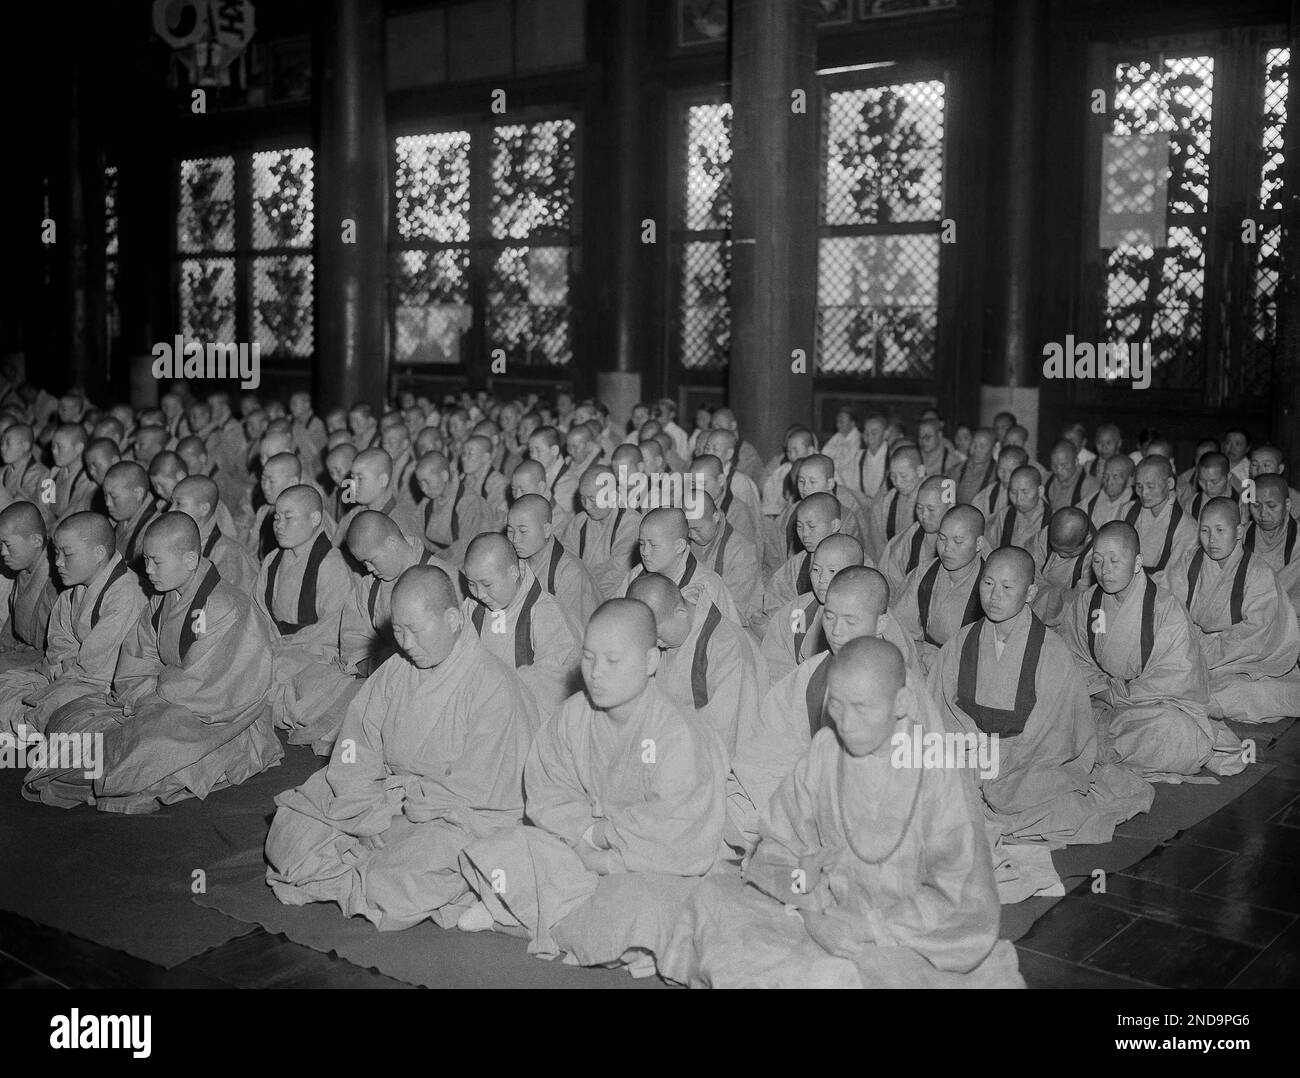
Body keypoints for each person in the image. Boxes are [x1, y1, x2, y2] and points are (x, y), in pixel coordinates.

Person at [660, 637, 1023, 989]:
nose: (846, 722)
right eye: (837, 705)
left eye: (862, 707)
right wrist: (811, 910)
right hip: (821, 908)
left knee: (831, 976)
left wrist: (866, 926)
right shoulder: (825, 749)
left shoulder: (938, 771)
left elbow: (960, 897)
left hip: (905, 934)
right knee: (713, 899)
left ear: (902, 702)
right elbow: (778, 847)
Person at [456, 598, 727, 976]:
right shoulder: (573, 715)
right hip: (576, 847)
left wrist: (605, 854)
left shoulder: (677, 732)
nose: (596, 673)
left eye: (613, 661)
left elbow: (679, 833)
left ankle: (524, 913)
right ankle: (566, 922)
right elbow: (547, 790)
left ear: (651, 662)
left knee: (645, 907)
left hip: (649, 868)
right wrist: (586, 834)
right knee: (502, 847)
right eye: (588, 658)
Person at [265, 564, 538, 929]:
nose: (406, 643)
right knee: (290, 831)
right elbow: (355, 750)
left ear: (454, 619)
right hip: (385, 799)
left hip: (456, 817)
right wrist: (371, 812)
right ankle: (366, 869)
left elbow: (482, 791)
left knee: (402, 875)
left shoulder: (494, 686)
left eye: (415, 630)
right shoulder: (396, 670)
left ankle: (371, 872)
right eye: (398, 631)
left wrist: (404, 822)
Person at [24, 513, 281, 811]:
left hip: (217, 716)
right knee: (70, 715)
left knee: (145, 749)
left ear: (189, 559)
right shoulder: (162, 598)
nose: (148, 570)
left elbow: (213, 687)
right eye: (146, 560)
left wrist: (155, 692)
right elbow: (137, 657)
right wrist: (144, 693)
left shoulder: (227, 607)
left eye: (157, 562)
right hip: (159, 700)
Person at [930, 545, 1153, 849]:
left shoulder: (1051, 650)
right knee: (920, 773)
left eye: (1008, 587)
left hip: (1028, 760)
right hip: (971, 751)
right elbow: (938, 706)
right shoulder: (961, 641)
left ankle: (984, 815)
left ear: (1030, 593)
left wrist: (1004, 761)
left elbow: (1057, 732)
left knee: (1042, 801)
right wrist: (974, 750)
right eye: (988, 583)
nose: (994, 596)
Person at [733, 566, 922, 838]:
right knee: (732, 805)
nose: (836, 631)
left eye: (850, 621)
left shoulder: (901, 685)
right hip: (812, 794)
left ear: (880, 624)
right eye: (830, 617)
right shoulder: (810, 673)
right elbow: (768, 750)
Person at [1059, 521, 1247, 781]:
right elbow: (1071, 656)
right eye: (1098, 561)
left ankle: (1094, 748)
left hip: (1145, 707)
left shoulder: (1165, 608)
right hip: (1097, 701)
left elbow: (1177, 676)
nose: (1105, 571)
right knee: (1051, 713)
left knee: (1179, 732)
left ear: (1137, 563)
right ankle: (1097, 746)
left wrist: (1120, 695)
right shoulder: (1086, 602)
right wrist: (1101, 690)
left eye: (1115, 561)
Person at [0, 512, 146, 735]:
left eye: (67, 554)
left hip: (104, 686)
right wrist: (60, 666)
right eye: (56, 553)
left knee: (40, 710)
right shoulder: (73, 589)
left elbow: (98, 669)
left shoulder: (126, 594)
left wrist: (63, 671)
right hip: (70, 675)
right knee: (6, 686)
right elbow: (59, 642)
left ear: (99, 553)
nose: (57, 562)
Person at [1168, 497, 1300, 724]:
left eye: (1220, 530)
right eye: (1205, 531)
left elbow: (1257, 634)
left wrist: (1206, 652)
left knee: (1244, 691)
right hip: (1190, 650)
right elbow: (1170, 611)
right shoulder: (1189, 561)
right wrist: (1188, 648)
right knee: (1167, 676)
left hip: (1242, 661)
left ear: (1239, 532)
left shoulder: (1258, 572)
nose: (1211, 540)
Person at [254, 485, 355, 750]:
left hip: (316, 654)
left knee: (296, 682)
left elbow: (334, 628)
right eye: (276, 517)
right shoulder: (272, 559)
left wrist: (286, 647)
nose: (279, 525)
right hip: (278, 649)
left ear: (314, 519)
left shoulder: (332, 565)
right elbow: (259, 611)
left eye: (289, 518)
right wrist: (270, 644)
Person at [627, 571, 764, 762]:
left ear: (681, 613)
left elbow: (725, 733)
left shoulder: (727, 646)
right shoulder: (668, 629)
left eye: (658, 635)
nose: (654, 644)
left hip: (708, 758)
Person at [461, 532, 581, 720]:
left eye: (487, 584)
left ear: (513, 573)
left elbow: (552, 689)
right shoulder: (472, 609)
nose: (480, 594)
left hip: (526, 717)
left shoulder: (546, 613)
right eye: (471, 584)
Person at [894, 505, 987, 674]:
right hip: (918, 664)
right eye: (942, 538)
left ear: (978, 543)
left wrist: (936, 658)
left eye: (958, 541)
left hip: (964, 675)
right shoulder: (924, 573)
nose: (947, 548)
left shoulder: (990, 586)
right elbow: (899, 629)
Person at [616, 507, 742, 624]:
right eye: (642, 544)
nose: (645, 552)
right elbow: (616, 616)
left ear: (679, 546)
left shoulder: (707, 586)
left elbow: (727, 636)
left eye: (653, 545)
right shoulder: (637, 574)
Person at [754, 492, 845, 636]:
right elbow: (777, 603)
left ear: (834, 525)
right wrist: (800, 630)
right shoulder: (797, 563)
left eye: (811, 526)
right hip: (801, 634)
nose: (805, 534)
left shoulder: (855, 558)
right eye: (799, 526)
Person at [507, 494, 600, 624]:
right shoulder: (513, 562)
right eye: (510, 531)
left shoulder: (570, 573)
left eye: (523, 531)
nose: (515, 539)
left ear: (546, 530)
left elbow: (574, 633)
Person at [561, 464, 641, 598]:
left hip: (614, 600)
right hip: (579, 595)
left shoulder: (631, 523)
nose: (586, 506)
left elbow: (615, 575)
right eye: (582, 498)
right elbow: (565, 564)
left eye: (592, 499)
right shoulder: (578, 522)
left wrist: (589, 600)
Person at [171, 475, 258, 593]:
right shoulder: (178, 542)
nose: (170, 510)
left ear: (204, 509)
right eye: (172, 503)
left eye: (179, 503)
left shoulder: (229, 555)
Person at [686, 491, 761, 628]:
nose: (692, 535)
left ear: (716, 517)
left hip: (731, 627)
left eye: (697, 529)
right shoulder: (685, 542)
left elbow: (736, 609)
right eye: (688, 529)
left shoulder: (742, 552)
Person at [0, 501, 57, 674]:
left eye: (7, 545)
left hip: (45, 662)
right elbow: (11, 627)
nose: (2, 552)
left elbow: (56, 651)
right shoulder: (25, 568)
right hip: (23, 653)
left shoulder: (57, 579)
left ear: (36, 541)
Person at [1127, 455, 1197, 587]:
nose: (1144, 493)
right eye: (1139, 486)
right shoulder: (1126, 511)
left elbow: (1175, 580)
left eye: (1150, 486)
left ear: (1170, 484)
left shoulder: (1187, 528)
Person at [336, 447, 423, 551]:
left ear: (383, 480)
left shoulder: (401, 524)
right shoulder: (353, 515)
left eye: (360, 478)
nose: (353, 484)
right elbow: (333, 552)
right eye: (352, 477)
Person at [414, 451, 491, 564]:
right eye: (420, 483)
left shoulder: (470, 503)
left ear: (444, 476)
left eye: (427, 482)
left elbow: (468, 551)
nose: (423, 489)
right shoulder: (427, 502)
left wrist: (432, 562)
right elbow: (415, 532)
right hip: (435, 561)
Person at [880, 474, 946, 599]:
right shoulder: (904, 542)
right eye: (919, 508)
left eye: (931, 509)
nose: (924, 515)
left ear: (950, 507)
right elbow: (890, 586)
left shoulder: (968, 537)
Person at [1243, 473, 1300, 611]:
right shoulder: (1240, 536)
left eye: (1271, 506)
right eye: (1256, 506)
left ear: (1287, 505)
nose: (1263, 513)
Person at [1031, 507, 1094, 627]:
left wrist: (1044, 595)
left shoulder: (1095, 556)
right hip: (1034, 603)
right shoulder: (1046, 534)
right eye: (1055, 549)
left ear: (1086, 539)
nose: (1060, 555)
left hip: (1067, 622)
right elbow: (1029, 570)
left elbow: (1077, 600)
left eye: (1068, 552)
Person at [865, 445, 925, 561]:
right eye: (893, 476)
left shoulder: (934, 498)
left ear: (920, 471)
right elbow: (876, 545)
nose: (897, 482)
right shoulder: (885, 502)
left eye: (903, 476)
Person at [102, 461, 160, 569]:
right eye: (105, 496)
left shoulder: (155, 530)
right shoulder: (119, 518)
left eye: (114, 497)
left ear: (138, 493)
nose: (108, 503)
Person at [984, 465, 1048, 555]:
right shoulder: (1003, 516)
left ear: (1040, 491)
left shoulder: (1052, 522)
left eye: (1025, 492)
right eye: (1013, 492)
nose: (1018, 499)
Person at [48, 424, 96, 521]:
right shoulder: (54, 472)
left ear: (79, 448)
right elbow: (43, 503)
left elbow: (72, 516)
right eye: (53, 446)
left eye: (60, 447)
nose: (54, 451)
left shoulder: (87, 481)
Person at [972, 445, 1028, 520]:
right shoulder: (987, 494)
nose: (1005, 475)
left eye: (1011, 471)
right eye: (1001, 469)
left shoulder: (1031, 494)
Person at [1081, 454, 1136, 528]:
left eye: (1115, 477)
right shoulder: (1094, 498)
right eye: (1106, 476)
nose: (1109, 482)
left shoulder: (1134, 507)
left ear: (1130, 481)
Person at [948, 428, 997, 506]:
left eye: (982, 446)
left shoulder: (997, 473)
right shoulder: (958, 469)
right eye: (973, 444)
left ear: (993, 449)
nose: (976, 450)